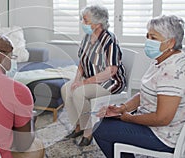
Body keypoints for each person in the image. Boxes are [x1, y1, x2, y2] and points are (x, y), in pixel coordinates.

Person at [93, 15, 185, 158]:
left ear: (171, 42)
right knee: (108, 120)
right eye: (147, 36)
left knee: (100, 130)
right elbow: (145, 93)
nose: (148, 41)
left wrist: (128, 118)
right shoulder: (162, 59)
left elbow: (162, 119)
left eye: (153, 38)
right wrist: (121, 109)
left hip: (163, 135)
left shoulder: (172, 71)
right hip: (155, 125)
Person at [60, 5, 126, 146]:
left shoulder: (109, 40)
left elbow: (111, 71)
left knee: (79, 93)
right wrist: (77, 79)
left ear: (97, 24)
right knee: (66, 89)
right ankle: (78, 126)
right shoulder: (87, 37)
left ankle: (88, 132)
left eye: (85, 20)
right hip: (91, 79)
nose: (82, 23)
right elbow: (82, 63)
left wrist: (84, 83)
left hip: (109, 82)